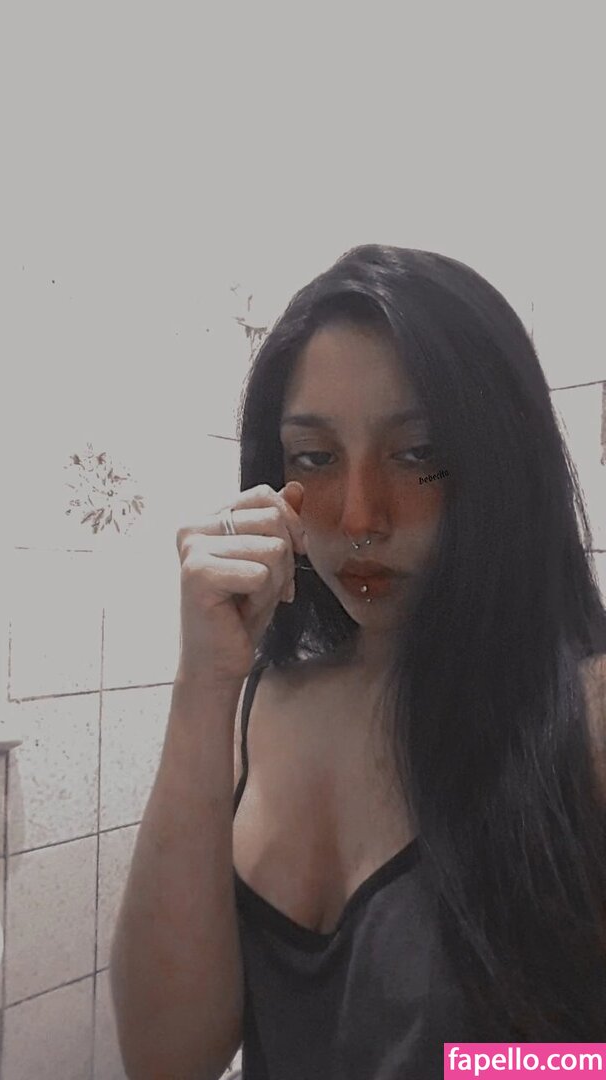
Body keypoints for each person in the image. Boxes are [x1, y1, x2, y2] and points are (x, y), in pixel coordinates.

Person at [110, 245, 606, 1080]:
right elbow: (167, 1060)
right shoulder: (251, 709)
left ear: (500, 461)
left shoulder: (585, 716)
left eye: (417, 454)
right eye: (315, 457)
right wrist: (203, 683)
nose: (359, 517)